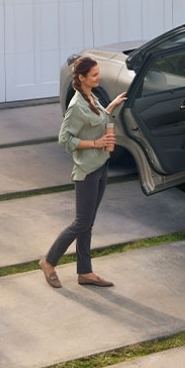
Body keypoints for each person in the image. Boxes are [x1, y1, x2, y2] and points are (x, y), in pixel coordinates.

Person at [39, 56, 127, 289]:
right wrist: (97, 143)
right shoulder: (77, 105)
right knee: (81, 222)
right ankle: (48, 261)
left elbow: (96, 119)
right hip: (87, 171)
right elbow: (64, 139)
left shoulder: (91, 97)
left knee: (88, 222)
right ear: (82, 77)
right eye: (95, 74)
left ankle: (85, 272)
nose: (99, 77)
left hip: (100, 166)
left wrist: (111, 106)